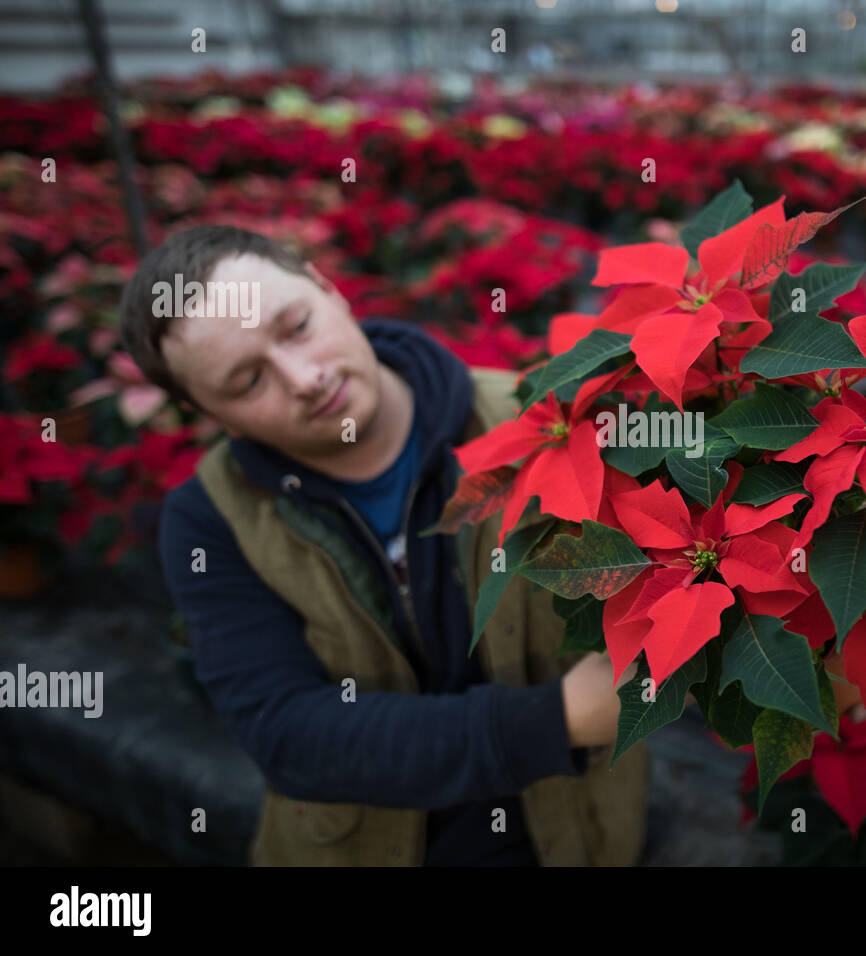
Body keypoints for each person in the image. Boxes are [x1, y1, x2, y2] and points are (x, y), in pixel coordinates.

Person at [117, 225, 648, 866]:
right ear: (208, 412)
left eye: (296, 327)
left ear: (328, 288)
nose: (305, 378)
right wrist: (555, 718)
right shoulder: (210, 520)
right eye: (247, 381)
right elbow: (292, 737)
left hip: (575, 836)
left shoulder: (539, 418)